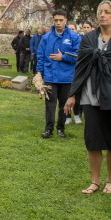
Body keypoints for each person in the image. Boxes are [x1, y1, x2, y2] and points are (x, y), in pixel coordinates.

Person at [64, 0, 111, 194]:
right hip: (91, 97)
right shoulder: (89, 39)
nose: (103, 15)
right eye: (100, 12)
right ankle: (95, 181)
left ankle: (110, 180)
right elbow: (80, 68)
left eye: (107, 12)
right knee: (92, 141)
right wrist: (72, 95)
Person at [36, 9, 81, 138]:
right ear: (53, 21)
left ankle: (61, 128)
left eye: (61, 20)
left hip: (66, 77)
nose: (58, 23)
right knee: (50, 105)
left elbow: (78, 56)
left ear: (66, 20)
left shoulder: (74, 37)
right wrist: (40, 74)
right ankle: (49, 129)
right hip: (50, 76)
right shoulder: (46, 37)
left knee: (63, 105)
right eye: (56, 20)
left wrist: (63, 58)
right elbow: (41, 56)